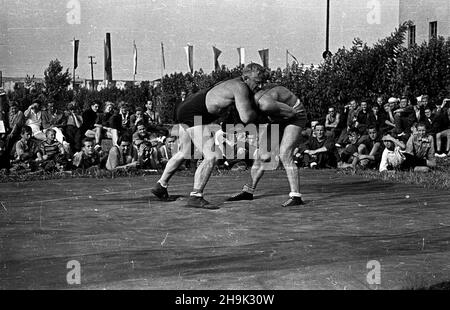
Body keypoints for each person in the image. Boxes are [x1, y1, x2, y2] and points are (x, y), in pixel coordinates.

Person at [151, 63, 267, 209]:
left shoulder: (233, 83)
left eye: (262, 82)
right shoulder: (241, 87)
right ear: (245, 77)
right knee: (212, 155)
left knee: (184, 152)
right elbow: (245, 117)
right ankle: (196, 196)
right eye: (257, 82)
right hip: (194, 113)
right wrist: (263, 112)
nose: (260, 86)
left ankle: (161, 185)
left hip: (186, 108)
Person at [226, 84, 308, 207]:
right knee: (262, 155)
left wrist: (268, 120)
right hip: (278, 119)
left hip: (295, 117)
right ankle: (248, 191)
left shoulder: (265, 102)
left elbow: (292, 113)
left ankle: (296, 196)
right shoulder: (250, 103)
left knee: (285, 154)